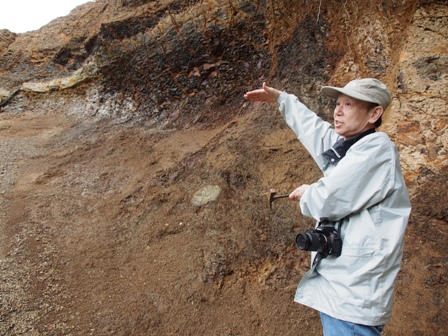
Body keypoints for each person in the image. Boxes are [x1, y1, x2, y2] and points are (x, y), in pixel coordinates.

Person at [244, 78, 411, 336]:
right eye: (337, 104)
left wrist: (309, 192)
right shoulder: (352, 148)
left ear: (374, 113)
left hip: (354, 293)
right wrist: (282, 99)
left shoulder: (377, 149)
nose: (338, 110)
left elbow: (329, 198)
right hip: (344, 290)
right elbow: (316, 132)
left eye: (349, 104)